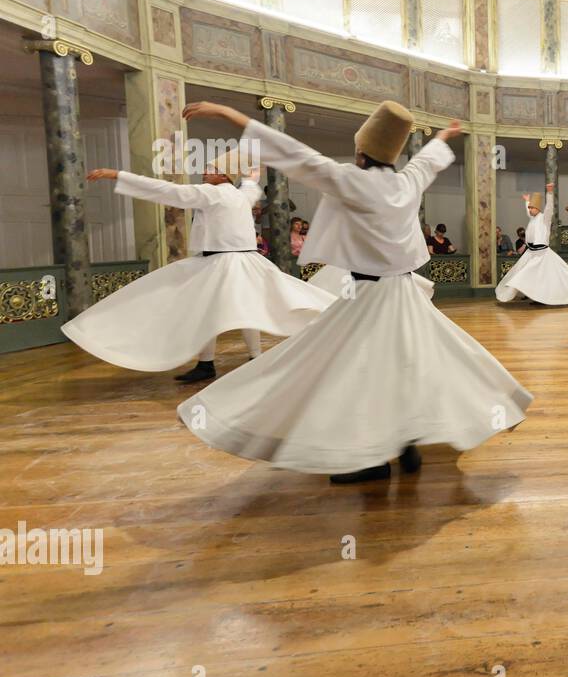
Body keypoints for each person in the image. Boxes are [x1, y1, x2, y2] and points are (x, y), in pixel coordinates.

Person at [175, 100, 532, 483]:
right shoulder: (406, 180)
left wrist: (225, 112)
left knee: (356, 371)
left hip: (368, 296)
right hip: (406, 295)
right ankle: (405, 438)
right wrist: (444, 135)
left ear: (361, 152)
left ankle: (373, 458)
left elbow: (289, 150)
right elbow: (428, 161)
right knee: (407, 364)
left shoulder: (349, 179)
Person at [62, 151, 336, 383]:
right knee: (242, 308)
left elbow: (167, 190)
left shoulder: (212, 194)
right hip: (236, 260)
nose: (205, 172)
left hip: (225, 260)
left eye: (212, 169)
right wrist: (254, 167)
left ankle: (215, 363)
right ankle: (246, 359)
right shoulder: (241, 195)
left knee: (215, 310)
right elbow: (252, 183)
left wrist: (117, 175)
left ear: (224, 176)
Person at [496, 184, 568, 305]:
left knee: (540, 277)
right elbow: (528, 211)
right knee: (527, 275)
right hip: (531, 253)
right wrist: (527, 201)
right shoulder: (532, 219)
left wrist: (549, 193)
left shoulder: (544, 218)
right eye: (530, 208)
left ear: (538, 209)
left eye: (532, 208)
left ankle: (543, 298)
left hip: (541, 254)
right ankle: (536, 297)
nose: (530, 210)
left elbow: (549, 208)